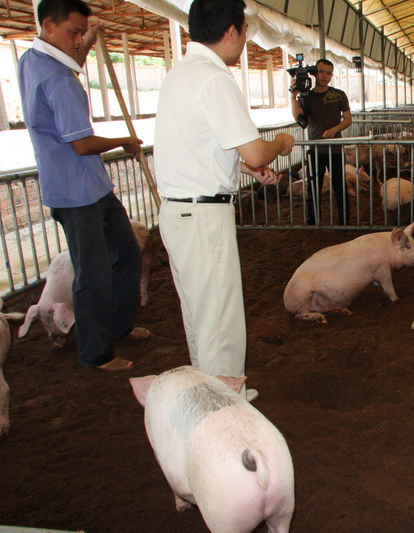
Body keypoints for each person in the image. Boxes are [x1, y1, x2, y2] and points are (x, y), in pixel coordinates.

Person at [154, 0, 294, 400]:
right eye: (245, 31)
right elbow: (256, 150)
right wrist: (281, 143)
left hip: (180, 211)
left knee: (201, 315)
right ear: (231, 31)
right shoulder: (214, 78)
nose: (245, 39)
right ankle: (224, 407)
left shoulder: (180, 74)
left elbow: (200, 146)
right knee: (219, 319)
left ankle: (208, 395)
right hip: (203, 217)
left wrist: (243, 169)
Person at [18, 0, 147, 371]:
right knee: (93, 272)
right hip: (76, 192)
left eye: (80, 33)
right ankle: (96, 353)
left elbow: (71, 60)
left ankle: (119, 326)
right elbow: (82, 143)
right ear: (48, 25)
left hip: (90, 185)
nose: (78, 40)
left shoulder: (34, 60)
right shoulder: (57, 79)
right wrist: (124, 141)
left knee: (127, 251)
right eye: (73, 32)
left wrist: (88, 39)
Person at [291, 59, 353, 226]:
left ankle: (344, 222)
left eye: (328, 73)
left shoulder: (339, 94)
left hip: (335, 150)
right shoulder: (306, 96)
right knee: (313, 187)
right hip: (315, 150)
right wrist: (293, 96)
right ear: (314, 72)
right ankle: (313, 222)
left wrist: (334, 130)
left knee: (340, 187)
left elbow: (348, 119)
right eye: (321, 72)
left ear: (332, 75)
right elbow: (299, 118)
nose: (324, 76)